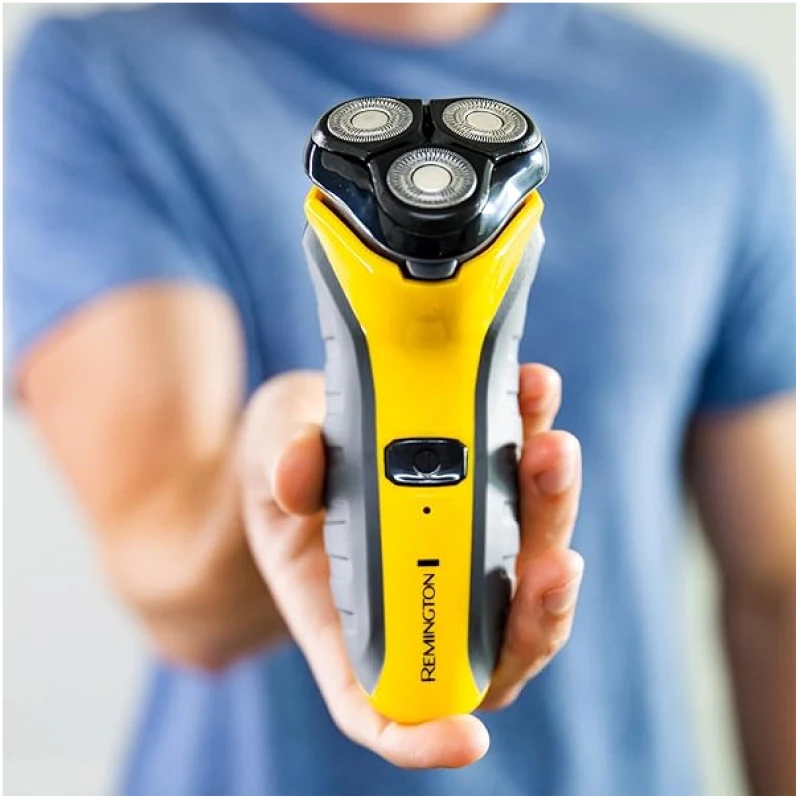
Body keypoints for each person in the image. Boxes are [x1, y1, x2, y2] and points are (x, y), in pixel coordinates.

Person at [5, 3, 795, 795]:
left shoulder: (705, 112)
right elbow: (173, 587)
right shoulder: (106, 78)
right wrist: (272, 474)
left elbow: (777, 587)